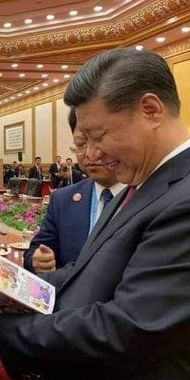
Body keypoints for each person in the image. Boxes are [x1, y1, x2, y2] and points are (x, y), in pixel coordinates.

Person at [0, 48, 190, 380]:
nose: (94, 154)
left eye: (99, 136)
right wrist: (7, 284)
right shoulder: (145, 182)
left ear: (151, 111)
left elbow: (130, 327)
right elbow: (96, 269)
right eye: (84, 142)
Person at [24, 108, 125, 272]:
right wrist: (37, 260)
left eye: (100, 141)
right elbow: (36, 249)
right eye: (81, 145)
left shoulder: (148, 196)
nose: (90, 154)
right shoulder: (62, 199)